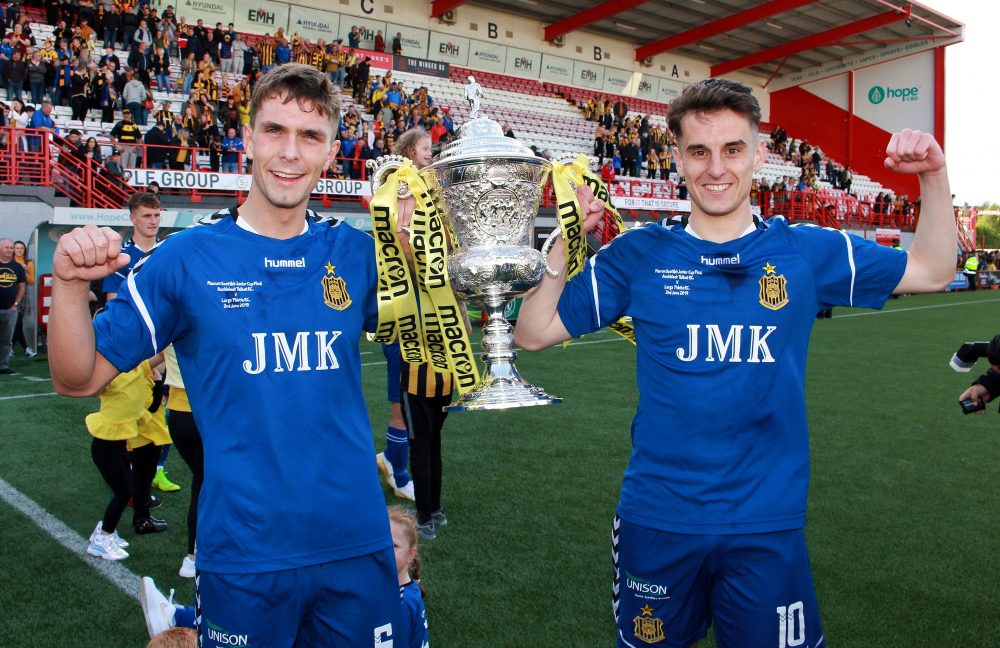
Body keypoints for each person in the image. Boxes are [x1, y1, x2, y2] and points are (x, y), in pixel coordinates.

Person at [514, 77, 956, 648]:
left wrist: (933, 175)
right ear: (677, 157)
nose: (715, 168)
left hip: (765, 524)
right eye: (699, 151)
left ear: (759, 155)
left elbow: (933, 269)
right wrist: (565, 236)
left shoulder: (803, 250)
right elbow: (532, 333)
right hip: (659, 518)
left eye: (732, 149)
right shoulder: (639, 254)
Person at [49, 63, 402, 646]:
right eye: (274, 131)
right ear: (247, 139)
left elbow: (437, 336)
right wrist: (67, 284)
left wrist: (430, 254)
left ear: (332, 152)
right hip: (243, 550)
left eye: (310, 136)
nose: (290, 153)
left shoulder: (359, 254)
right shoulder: (185, 259)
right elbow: (76, 377)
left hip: (355, 541)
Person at [85, 355, 170, 561]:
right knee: (124, 493)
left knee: (128, 489)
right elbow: (91, 387)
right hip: (105, 446)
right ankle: (102, 540)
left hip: (120, 445)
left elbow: (158, 356)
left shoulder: (137, 368)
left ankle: (104, 531)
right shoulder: (112, 373)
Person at [389, 506, 430, 648]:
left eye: (393, 545)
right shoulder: (404, 591)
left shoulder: (401, 602)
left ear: (410, 554)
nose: (384, 550)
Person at [0, 237, 26, 374]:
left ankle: (3, 365)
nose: (10, 250)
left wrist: (15, 303)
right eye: (7, 248)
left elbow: (22, 287)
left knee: (6, 340)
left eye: (11, 248)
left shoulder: (17, 267)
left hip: (11, 309)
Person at [11, 240, 35, 358]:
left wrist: (24, 271)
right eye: (17, 248)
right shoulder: (10, 262)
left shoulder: (28, 263)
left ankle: (10, 348)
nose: (19, 250)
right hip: (11, 292)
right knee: (16, 322)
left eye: (21, 248)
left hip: (23, 293)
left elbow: (31, 281)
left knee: (18, 321)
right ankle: (25, 348)